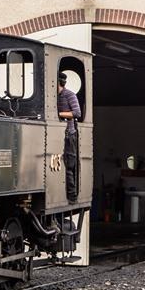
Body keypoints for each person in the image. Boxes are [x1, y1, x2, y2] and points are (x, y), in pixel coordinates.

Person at [57, 72, 81, 202]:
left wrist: (58, 114)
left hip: (69, 133)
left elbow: (77, 112)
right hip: (58, 134)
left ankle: (72, 195)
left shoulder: (69, 95)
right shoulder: (54, 97)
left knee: (69, 165)